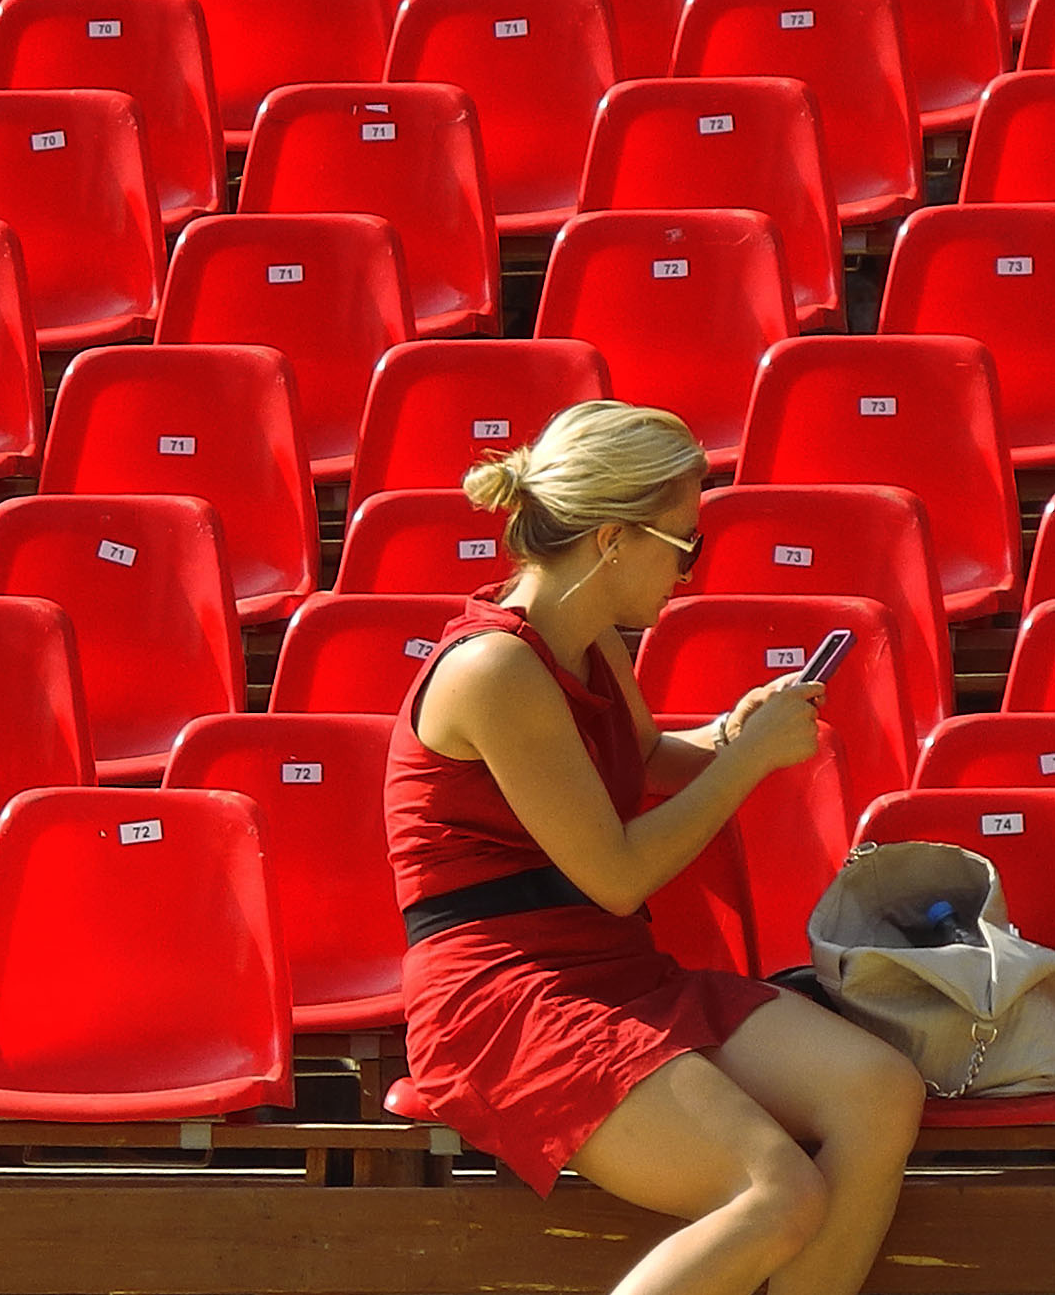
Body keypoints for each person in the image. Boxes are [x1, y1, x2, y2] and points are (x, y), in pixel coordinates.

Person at [386, 400, 925, 1295]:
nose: (688, 570)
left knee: (877, 1091)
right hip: (505, 998)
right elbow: (616, 873)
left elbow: (639, 759)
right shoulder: (494, 668)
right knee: (773, 1194)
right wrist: (749, 763)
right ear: (610, 540)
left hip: (613, 970)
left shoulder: (583, 637)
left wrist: (727, 730)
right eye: (684, 545)